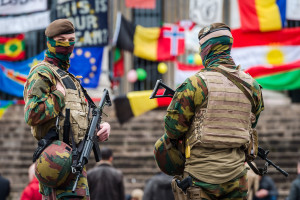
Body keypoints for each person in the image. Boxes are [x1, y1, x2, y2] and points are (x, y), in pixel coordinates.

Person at [156, 22, 264, 200]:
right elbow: (251, 123)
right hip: (237, 177)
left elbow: (172, 131)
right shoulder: (252, 86)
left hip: (200, 179)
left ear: (207, 49)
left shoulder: (195, 84)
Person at [23, 19, 111, 200]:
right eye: (61, 39)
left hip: (76, 165)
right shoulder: (42, 73)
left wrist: (99, 128)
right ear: (50, 41)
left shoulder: (70, 79)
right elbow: (31, 114)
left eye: (71, 40)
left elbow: (76, 120)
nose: (67, 45)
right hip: (56, 165)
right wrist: (57, 97)